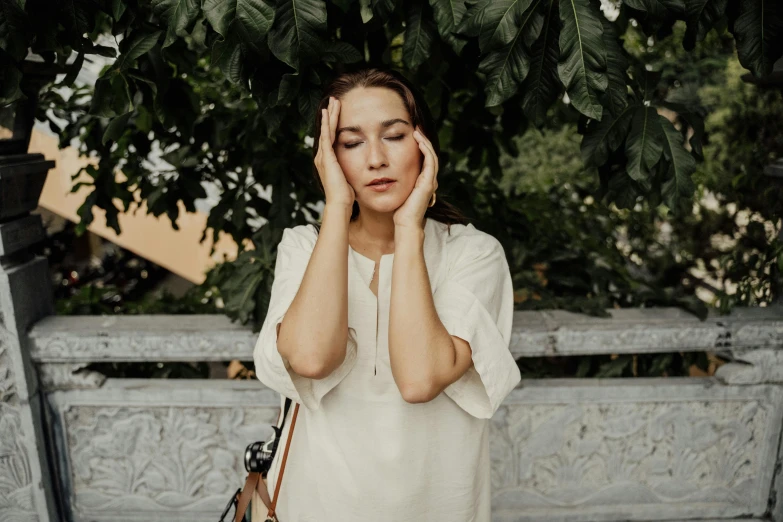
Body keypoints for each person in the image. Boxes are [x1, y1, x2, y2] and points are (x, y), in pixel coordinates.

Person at [252, 67, 521, 522]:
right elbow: (312, 358)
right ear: (328, 159)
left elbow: (419, 380)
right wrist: (336, 206)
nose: (375, 158)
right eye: (351, 143)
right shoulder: (302, 248)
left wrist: (409, 229)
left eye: (393, 136)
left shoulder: (473, 254)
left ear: (424, 145)